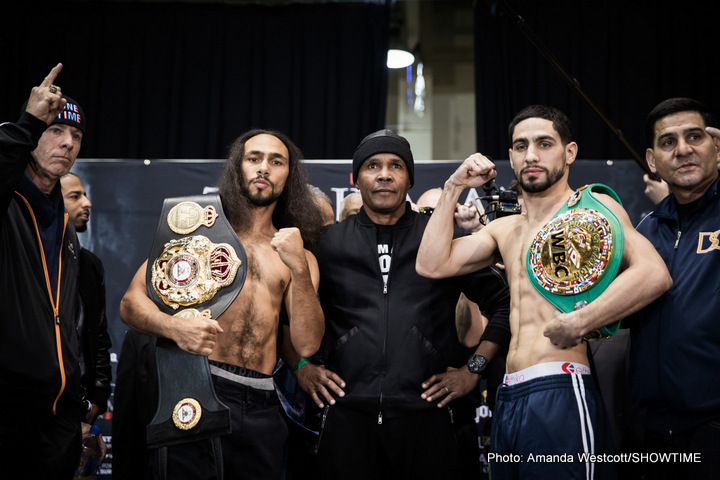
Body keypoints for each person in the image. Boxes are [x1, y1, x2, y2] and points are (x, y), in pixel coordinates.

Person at [416, 105, 672, 479]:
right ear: (510, 157)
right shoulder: (505, 230)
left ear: (569, 153)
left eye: (544, 143)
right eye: (520, 146)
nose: (531, 155)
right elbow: (431, 264)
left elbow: (654, 273)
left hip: (562, 385)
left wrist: (582, 320)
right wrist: (454, 186)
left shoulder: (592, 206)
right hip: (508, 393)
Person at [299, 129, 510, 480]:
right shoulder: (328, 243)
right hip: (347, 419)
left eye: (395, 165)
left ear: (409, 178)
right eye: (373, 166)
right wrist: (300, 368)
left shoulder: (438, 239)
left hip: (428, 419)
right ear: (356, 178)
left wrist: (474, 369)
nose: (384, 174)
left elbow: (503, 301)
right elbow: (288, 307)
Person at [119, 129, 326, 480]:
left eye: (276, 162)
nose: (264, 168)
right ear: (237, 168)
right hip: (198, 390)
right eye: (254, 158)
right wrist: (173, 327)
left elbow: (307, 344)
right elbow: (130, 303)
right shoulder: (196, 232)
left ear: (289, 175)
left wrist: (300, 268)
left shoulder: (298, 255)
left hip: (262, 404)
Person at [0, 63, 88, 478]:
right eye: (55, 130)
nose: (67, 142)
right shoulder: (9, 205)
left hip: (58, 418)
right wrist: (29, 121)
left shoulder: (69, 229)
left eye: (75, 136)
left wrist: (80, 406)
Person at [627, 97, 720, 478]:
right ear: (652, 161)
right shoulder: (644, 231)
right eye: (668, 142)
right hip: (652, 428)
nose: (683, 150)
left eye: (695, 137)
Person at [60, 172, 111, 467]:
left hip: (81, 410)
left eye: (85, 194)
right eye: (75, 196)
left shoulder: (91, 264)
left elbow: (98, 337)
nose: (87, 202)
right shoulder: (27, 258)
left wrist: (96, 403)